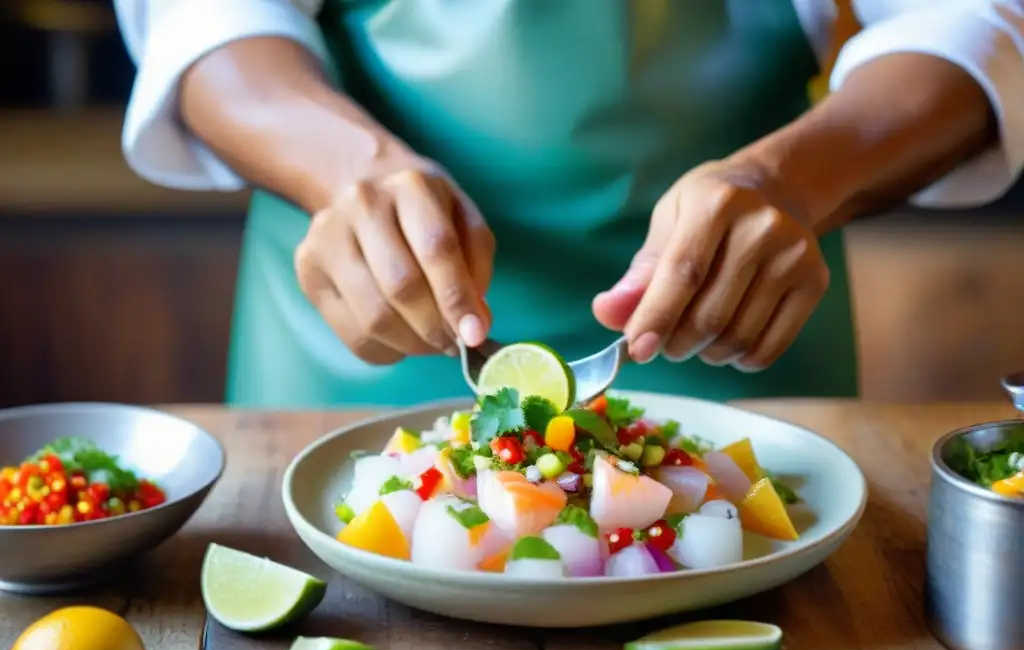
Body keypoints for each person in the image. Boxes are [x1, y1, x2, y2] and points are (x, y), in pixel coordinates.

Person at [113, 0, 1024, 408]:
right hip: (359, 350)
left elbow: (975, 21)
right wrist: (343, 168)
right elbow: (203, 16)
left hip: (739, 344)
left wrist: (791, 182)